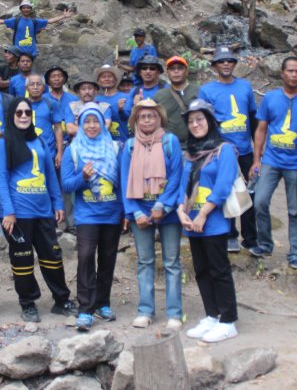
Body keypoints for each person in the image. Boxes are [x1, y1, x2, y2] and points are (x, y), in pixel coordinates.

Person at [0, 99, 77, 322]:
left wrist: (58, 203)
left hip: (42, 212)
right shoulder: (3, 143)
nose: (23, 116)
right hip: (17, 214)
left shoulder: (38, 141)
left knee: (52, 256)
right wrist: (8, 212)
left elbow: (50, 174)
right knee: (22, 259)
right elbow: (0, 179)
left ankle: (61, 300)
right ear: (12, 115)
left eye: (27, 112)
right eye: (19, 112)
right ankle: (27, 303)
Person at [250, 56, 297, 269]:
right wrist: (256, 160)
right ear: (282, 73)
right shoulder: (270, 98)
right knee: (260, 201)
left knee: (294, 210)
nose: (294, 75)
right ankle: (265, 243)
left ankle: (295, 254)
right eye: (290, 71)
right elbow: (261, 129)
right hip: (271, 159)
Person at [178, 99, 239, 343]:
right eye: (191, 121)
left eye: (200, 119)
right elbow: (183, 185)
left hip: (213, 221)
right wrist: (182, 212)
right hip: (192, 222)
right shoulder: (191, 154)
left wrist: (203, 214)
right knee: (201, 270)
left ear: (211, 121)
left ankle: (228, 320)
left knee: (219, 270)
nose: (195, 124)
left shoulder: (224, 150)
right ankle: (212, 315)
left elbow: (223, 185)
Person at [120, 99, 184, 329]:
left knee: (172, 262)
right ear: (136, 120)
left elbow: (176, 176)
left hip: (167, 212)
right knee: (145, 261)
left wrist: (163, 207)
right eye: (143, 117)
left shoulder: (170, 142)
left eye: (151, 116)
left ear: (159, 119)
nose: (147, 120)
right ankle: (146, 310)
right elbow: (124, 179)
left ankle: (175, 313)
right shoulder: (128, 146)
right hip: (140, 211)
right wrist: (134, 212)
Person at [61, 104, 124, 332]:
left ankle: (102, 303)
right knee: (86, 256)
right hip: (87, 214)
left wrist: (125, 211)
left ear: (102, 123)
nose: (91, 126)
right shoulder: (73, 150)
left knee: (108, 258)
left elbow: (123, 183)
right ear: (79, 125)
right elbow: (66, 184)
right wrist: (83, 178)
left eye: (95, 121)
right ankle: (85, 309)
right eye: (86, 121)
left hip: (112, 212)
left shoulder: (115, 148)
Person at [197, 47, 258, 253]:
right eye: (221, 61)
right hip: (221, 151)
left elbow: (252, 117)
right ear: (214, 66)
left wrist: (257, 151)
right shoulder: (207, 90)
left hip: (245, 150)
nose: (226, 64)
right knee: (225, 191)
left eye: (229, 61)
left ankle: (250, 238)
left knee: (250, 193)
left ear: (234, 64)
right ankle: (230, 234)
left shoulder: (245, 87)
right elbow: (203, 120)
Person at [0, 0, 74, 58]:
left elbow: (49, 21)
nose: (26, 9)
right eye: (24, 7)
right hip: (18, 51)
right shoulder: (16, 20)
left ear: (31, 9)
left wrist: (63, 16)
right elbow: (1, 22)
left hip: (32, 51)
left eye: (28, 7)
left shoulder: (35, 21)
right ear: (21, 9)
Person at [154, 56, 200, 144]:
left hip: (196, 145)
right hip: (168, 145)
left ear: (186, 71)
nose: (176, 71)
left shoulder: (199, 91)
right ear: (167, 72)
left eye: (180, 68)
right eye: (172, 69)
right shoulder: (160, 95)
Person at [26, 74, 65, 168]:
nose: (35, 87)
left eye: (39, 84)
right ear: (26, 88)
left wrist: (60, 153)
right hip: (26, 152)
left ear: (44, 87)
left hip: (48, 153)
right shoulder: (21, 104)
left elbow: (58, 128)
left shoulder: (51, 103)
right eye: (32, 84)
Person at [121, 55, 167, 121]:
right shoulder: (134, 91)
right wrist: (121, 110)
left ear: (158, 72)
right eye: (144, 68)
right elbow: (125, 117)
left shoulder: (166, 89)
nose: (148, 71)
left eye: (152, 68)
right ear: (140, 72)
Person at [95, 64, 129, 144]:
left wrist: (121, 110)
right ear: (99, 81)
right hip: (102, 144)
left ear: (115, 79)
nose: (106, 79)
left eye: (110, 76)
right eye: (103, 77)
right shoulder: (96, 100)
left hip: (123, 142)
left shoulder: (125, 97)